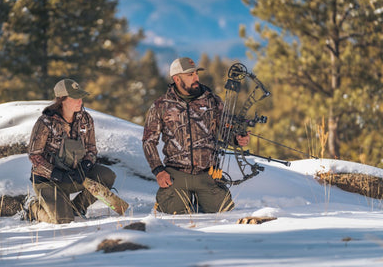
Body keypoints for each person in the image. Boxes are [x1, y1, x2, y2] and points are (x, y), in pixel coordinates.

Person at [142, 57, 250, 214]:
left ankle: (201, 198)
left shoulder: (212, 101)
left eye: (196, 74)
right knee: (172, 212)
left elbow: (228, 131)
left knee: (222, 210)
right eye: (190, 75)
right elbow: (148, 141)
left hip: (207, 174)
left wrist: (238, 139)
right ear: (177, 79)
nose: (196, 78)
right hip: (176, 174)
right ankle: (184, 198)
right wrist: (158, 170)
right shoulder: (161, 105)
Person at [27, 79, 116, 223]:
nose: (80, 101)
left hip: (74, 176)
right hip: (48, 181)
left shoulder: (86, 119)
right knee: (62, 220)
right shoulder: (45, 122)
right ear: (62, 100)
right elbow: (34, 156)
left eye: (80, 96)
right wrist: (57, 174)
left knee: (106, 176)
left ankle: (77, 208)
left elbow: (91, 149)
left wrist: (85, 165)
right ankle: (33, 208)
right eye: (75, 97)